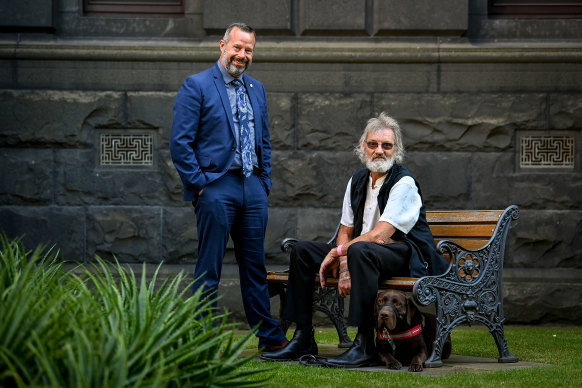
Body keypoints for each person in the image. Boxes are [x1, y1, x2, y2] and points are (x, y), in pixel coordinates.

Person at [260, 112, 448, 367]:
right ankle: (303, 335)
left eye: (386, 145)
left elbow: (381, 234)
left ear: (396, 150)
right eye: (373, 144)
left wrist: (340, 253)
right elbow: (346, 229)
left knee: (361, 250)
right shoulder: (358, 179)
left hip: (404, 254)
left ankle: (365, 344)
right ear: (362, 147)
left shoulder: (404, 183)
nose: (378, 150)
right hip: (365, 254)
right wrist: (343, 257)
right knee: (303, 252)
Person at [170, 22, 288, 352]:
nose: (242, 55)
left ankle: (270, 339)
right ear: (222, 46)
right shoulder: (196, 86)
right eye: (237, 47)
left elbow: (264, 140)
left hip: (252, 188)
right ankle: (202, 340)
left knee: (255, 268)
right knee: (210, 266)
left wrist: (263, 183)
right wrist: (201, 186)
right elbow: (180, 143)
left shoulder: (257, 88)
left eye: (248, 50)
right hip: (215, 186)